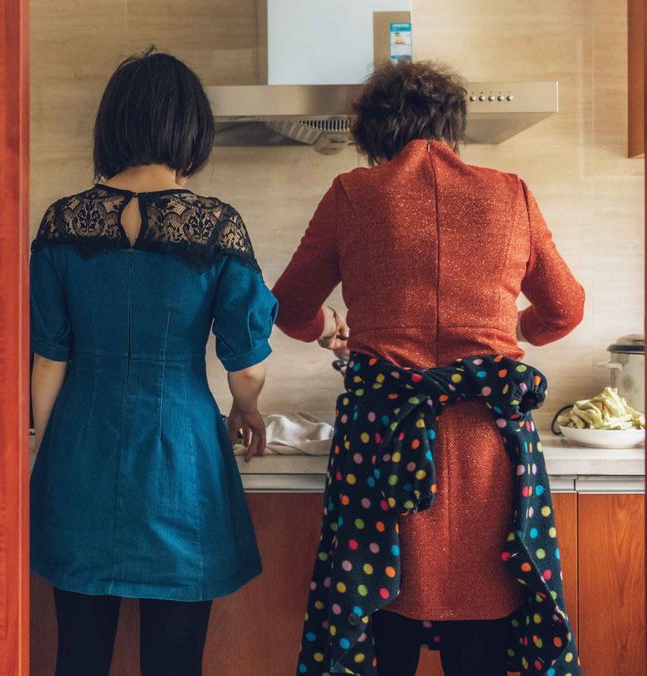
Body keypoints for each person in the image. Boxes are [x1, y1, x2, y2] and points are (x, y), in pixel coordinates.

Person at [273, 61, 584, 675]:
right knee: (483, 635)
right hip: (486, 451)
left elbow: (286, 308)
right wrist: (515, 331)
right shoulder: (510, 193)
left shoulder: (353, 194)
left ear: (373, 133)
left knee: (378, 625)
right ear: (452, 125)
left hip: (380, 449)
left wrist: (328, 329)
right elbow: (566, 308)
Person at [29, 48, 278, 676]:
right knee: (175, 663)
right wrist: (247, 411)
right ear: (191, 130)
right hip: (182, 460)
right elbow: (245, 366)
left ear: (112, 126)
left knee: (78, 659)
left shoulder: (61, 223)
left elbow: (49, 358)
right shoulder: (218, 226)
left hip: (80, 455)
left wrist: (41, 448)